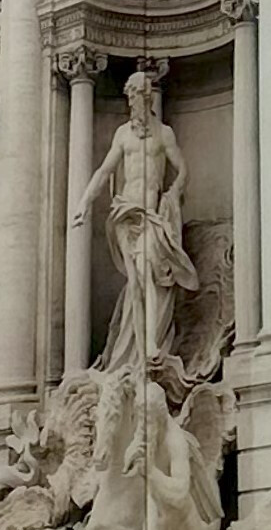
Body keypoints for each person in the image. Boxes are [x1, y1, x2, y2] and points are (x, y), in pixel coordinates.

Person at [74, 67, 199, 368]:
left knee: (146, 273)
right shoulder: (122, 134)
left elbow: (183, 168)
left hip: (150, 212)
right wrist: (84, 202)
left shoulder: (163, 133)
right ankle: (143, 351)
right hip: (124, 210)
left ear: (146, 98)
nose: (131, 104)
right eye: (129, 98)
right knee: (135, 281)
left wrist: (174, 192)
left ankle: (151, 342)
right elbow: (104, 171)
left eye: (135, 97)